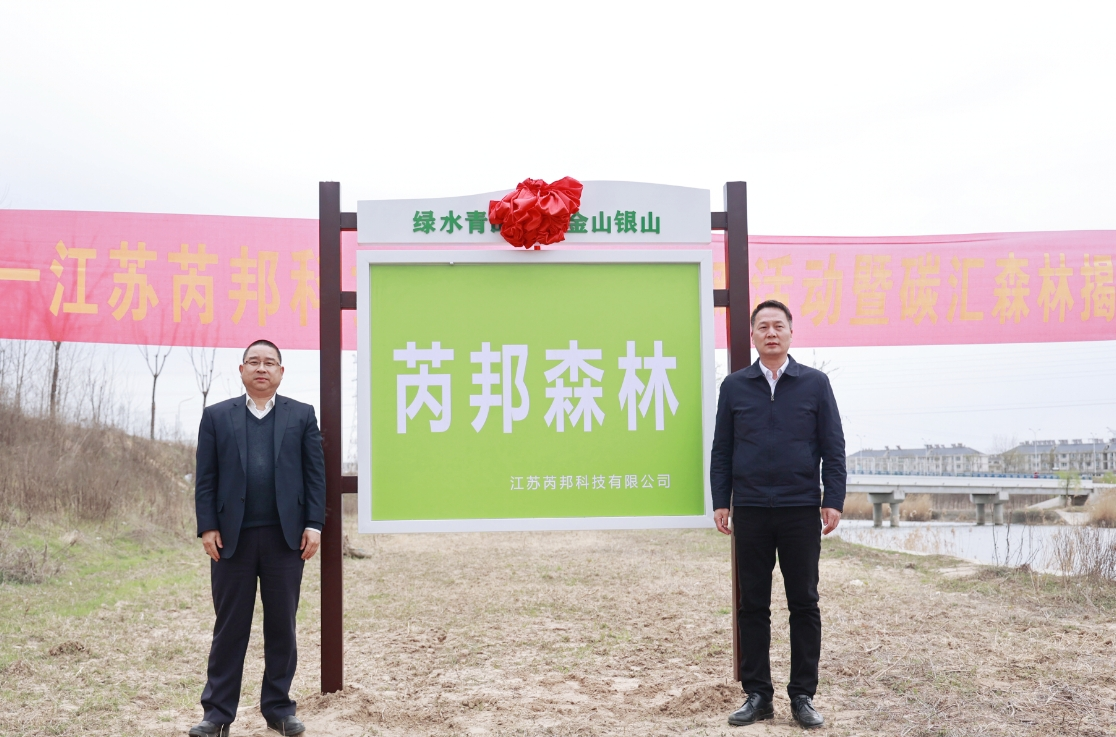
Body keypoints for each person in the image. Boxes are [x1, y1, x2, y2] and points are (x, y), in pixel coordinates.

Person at [710, 300, 846, 730]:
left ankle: (803, 696)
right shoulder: (735, 386)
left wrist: (833, 499)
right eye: (763, 327)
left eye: (778, 326)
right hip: (750, 509)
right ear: (752, 335)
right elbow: (722, 450)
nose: (771, 333)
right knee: (753, 604)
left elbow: (833, 447)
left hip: (799, 509)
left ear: (790, 333)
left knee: (804, 602)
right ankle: (758, 696)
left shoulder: (815, 384)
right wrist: (721, 500)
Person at [190, 340, 326, 737]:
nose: (261, 368)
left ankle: (279, 709)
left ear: (281, 371)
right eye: (254, 362)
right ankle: (217, 715)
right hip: (231, 541)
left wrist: (314, 523)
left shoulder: (301, 415)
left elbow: (315, 475)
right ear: (241, 369)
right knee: (230, 628)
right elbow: (206, 477)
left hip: (286, 540)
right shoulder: (217, 416)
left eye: (269, 363)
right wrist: (207, 525)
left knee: (282, 626)